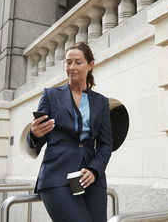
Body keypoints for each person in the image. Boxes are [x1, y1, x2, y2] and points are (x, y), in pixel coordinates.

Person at [27, 42, 113, 222]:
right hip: (57, 177)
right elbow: (35, 142)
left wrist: (94, 170)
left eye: (78, 62)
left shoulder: (101, 102)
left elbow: (106, 144)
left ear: (90, 65)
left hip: (90, 179)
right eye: (68, 63)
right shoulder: (50, 95)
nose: (71, 67)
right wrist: (35, 133)